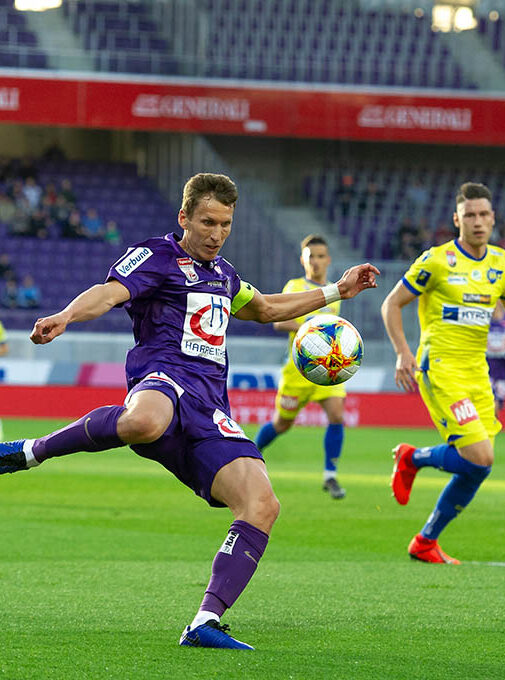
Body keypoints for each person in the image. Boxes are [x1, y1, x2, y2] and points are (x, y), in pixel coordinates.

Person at [0, 173, 379, 649]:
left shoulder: (226, 275)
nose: (216, 233)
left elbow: (264, 309)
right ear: (184, 218)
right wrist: (66, 315)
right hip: (161, 378)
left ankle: (204, 622)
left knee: (262, 505)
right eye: (207, 222)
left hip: (210, 407)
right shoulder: (156, 256)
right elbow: (108, 292)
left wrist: (337, 292)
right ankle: (29, 452)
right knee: (144, 420)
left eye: (225, 224)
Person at [381, 182, 505, 564]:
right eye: (470, 215)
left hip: (477, 374)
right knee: (479, 455)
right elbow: (391, 304)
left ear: (493, 218)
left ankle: (425, 541)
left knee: (479, 468)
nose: (478, 221)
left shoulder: (501, 263)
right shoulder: (436, 261)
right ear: (457, 219)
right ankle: (412, 458)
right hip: (440, 369)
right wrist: (404, 353)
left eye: (484, 214)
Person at [254, 234, 350, 500]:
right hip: (298, 370)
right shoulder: (294, 286)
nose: (316, 262)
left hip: (328, 369)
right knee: (282, 424)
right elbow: (279, 322)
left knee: (337, 415)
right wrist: (312, 330)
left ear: (328, 260)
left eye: (321, 257)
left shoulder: (334, 292)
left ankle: (330, 474)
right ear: (303, 260)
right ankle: (250, 453)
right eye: (311, 257)